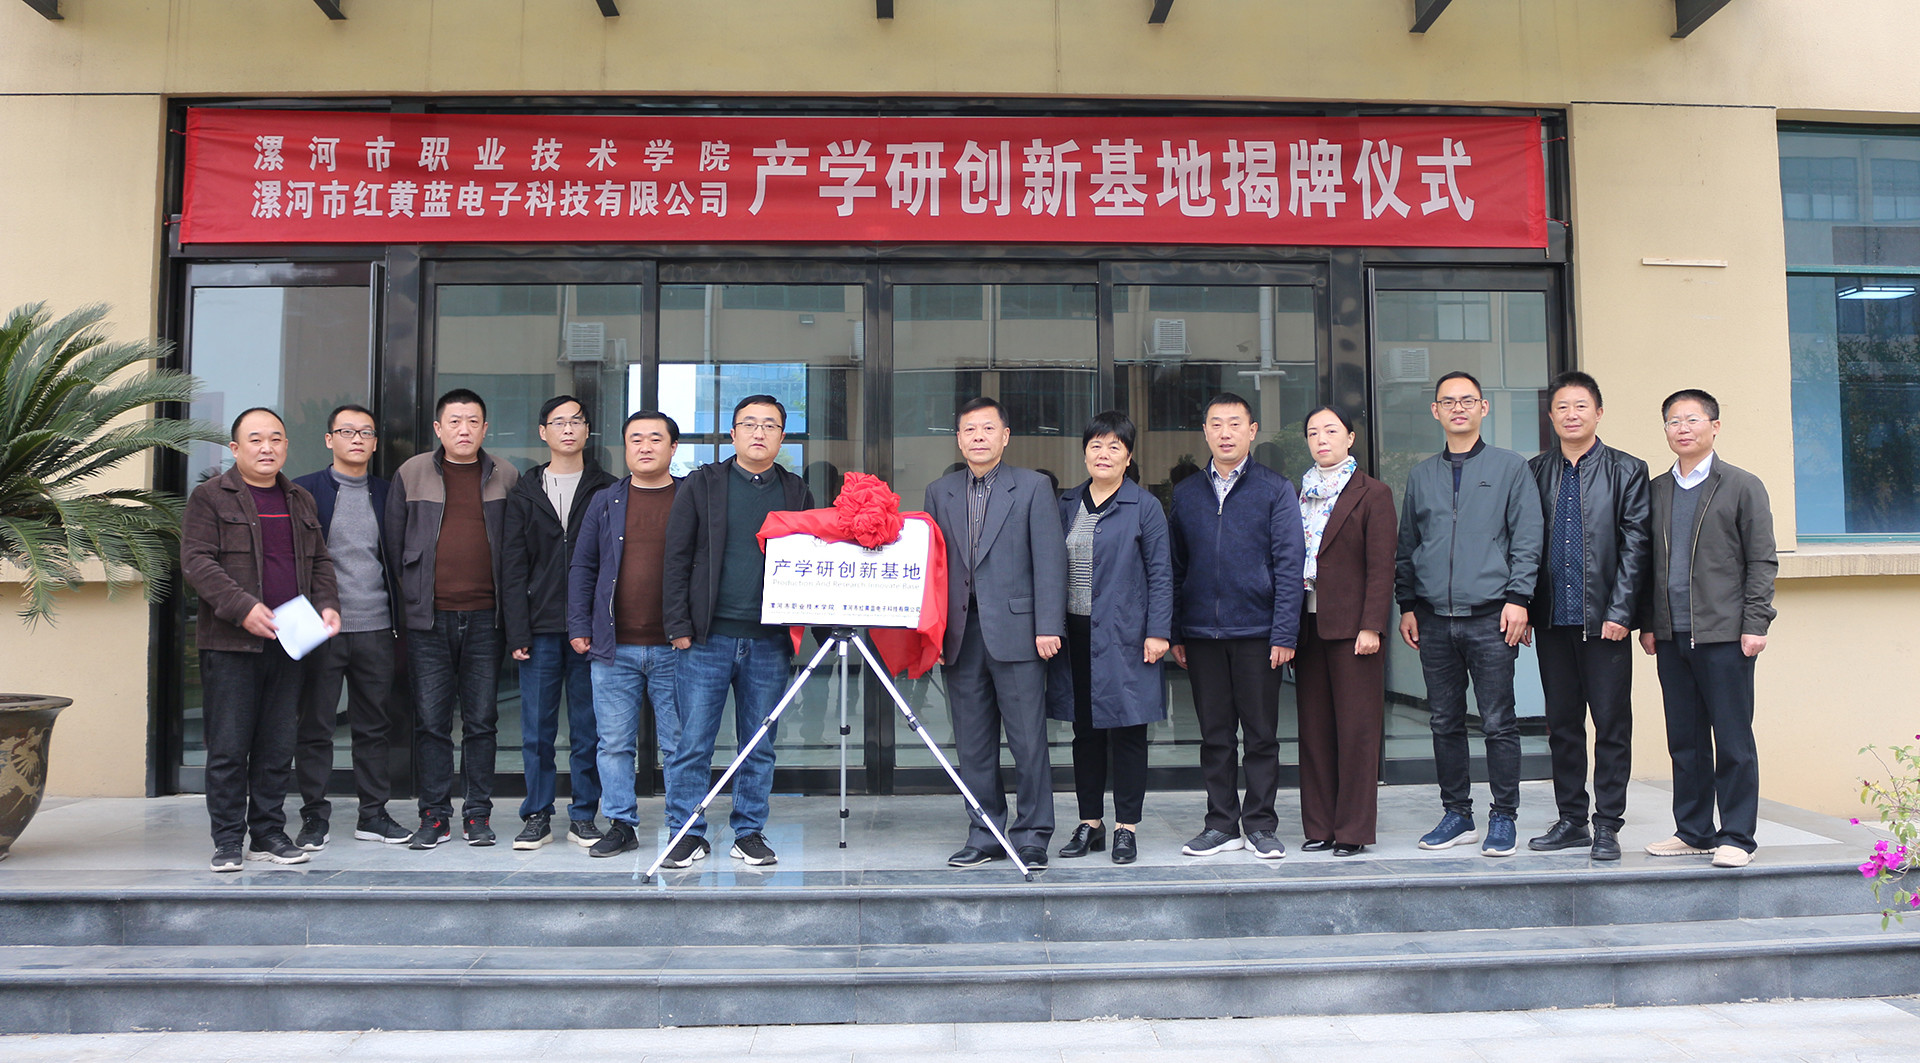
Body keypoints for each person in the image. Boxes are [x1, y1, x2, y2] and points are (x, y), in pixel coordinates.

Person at [180, 407, 340, 872]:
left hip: (290, 641)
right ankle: (228, 840)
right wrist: (243, 607)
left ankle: (268, 833)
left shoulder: (299, 499)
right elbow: (197, 562)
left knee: (276, 745)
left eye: (275, 439)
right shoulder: (211, 497)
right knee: (229, 747)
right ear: (235, 448)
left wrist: (328, 604)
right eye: (255, 439)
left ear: (286, 446)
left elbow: (320, 562)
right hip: (231, 644)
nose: (266, 447)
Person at [657, 395, 813, 869]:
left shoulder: (796, 491)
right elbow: (676, 557)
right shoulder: (703, 484)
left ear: (782, 437)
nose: (759, 433)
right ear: (733, 434)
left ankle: (749, 831)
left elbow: (811, 558)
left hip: (768, 641)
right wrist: (677, 625)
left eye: (770, 425)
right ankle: (686, 832)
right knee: (693, 743)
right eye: (749, 424)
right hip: (706, 639)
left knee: (758, 743)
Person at [1395, 371, 1543, 858]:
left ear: (1484, 407)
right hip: (1434, 617)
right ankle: (1457, 814)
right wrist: (1407, 605)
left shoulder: (1509, 467)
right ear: (1435, 411)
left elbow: (1527, 538)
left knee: (1498, 721)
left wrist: (1519, 599)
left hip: (1491, 617)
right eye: (1448, 401)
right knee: (1444, 721)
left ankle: (1504, 816)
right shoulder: (1422, 475)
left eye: (1467, 400)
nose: (1458, 408)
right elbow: (1408, 545)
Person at [925, 397, 1067, 870]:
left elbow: (1050, 560)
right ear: (958, 439)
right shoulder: (940, 491)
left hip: (1020, 633)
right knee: (973, 744)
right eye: (969, 429)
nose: (978, 437)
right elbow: (934, 568)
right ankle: (984, 834)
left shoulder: (1032, 487)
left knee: (1028, 742)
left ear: (1005, 436)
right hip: (960, 637)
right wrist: (932, 633)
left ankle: (1033, 834)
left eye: (988, 428)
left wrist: (1048, 625)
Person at [1638, 388, 1777, 869]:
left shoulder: (1741, 485)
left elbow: (1762, 561)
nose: (1682, 428)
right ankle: (1694, 831)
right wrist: (1650, 623)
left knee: (1733, 740)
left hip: (1725, 635)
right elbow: (1647, 564)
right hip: (1671, 635)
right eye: (1673, 420)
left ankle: (1737, 836)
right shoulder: (1656, 490)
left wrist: (1755, 622)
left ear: (1714, 426)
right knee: (1686, 740)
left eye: (1692, 419)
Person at [1168, 393, 1305, 860]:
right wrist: (1177, 631)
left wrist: (1284, 633)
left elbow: (1289, 565)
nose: (1225, 433)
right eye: (1216, 424)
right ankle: (1221, 824)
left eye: (1234, 423)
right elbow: (1175, 568)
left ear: (1252, 430)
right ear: (1205, 432)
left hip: (1258, 634)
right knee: (1215, 737)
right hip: (1202, 635)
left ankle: (1261, 824)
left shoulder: (1275, 489)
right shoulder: (1186, 493)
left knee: (1261, 736)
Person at [385, 388, 519, 850]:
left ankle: (477, 815)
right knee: (432, 722)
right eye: (455, 421)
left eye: (473, 421)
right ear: (438, 428)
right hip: (429, 620)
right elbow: (393, 547)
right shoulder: (412, 473)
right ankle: (434, 815)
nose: (464, 430)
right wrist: (410, 607)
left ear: (485, 428)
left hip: (486, 620)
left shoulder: (506, 475)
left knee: (482, 722)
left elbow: (517, 551)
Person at [1525, 371, 1650, 862]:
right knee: (1562, 725)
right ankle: (1572, 819)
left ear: (1598, 412)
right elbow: (1524, 544)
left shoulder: (1627, 470)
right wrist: (1525, 607)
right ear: (1550, 416)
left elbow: (1636, 546)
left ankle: (1608, 824)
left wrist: (1620, 611)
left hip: (1605, 623)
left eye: (1580, 406)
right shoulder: (1535, 471)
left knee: (1611, 725)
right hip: (1552, 618)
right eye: (1562, 407)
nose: (1571, 415)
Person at [1044, 411, 1172, 866]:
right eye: (1096, 445)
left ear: (1128, 456)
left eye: (1114, 446)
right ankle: (1090, 823)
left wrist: (1158, 631)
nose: (1104, 454)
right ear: (1084, 453)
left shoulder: (1144, 506)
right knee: (1086, 733)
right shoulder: (1066, 503)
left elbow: (1161, 574)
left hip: (1126, 637)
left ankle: (1126, 828)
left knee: (1129, 731)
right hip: (1076, 637)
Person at [290, 404, 409, 849]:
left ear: (375, 443)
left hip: (377, 626)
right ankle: (313, 817)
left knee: (373, 727)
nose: (357, 439)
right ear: (329, 439)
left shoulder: (388, 493)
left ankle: (373, 815)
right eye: (347, 431)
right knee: (316, 726)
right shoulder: (304, 491)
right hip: (322, 628)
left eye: (366, 432)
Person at [502, 395, 617, 851]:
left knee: (589, 729)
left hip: (591, 628)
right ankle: (536, 814)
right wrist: (517, 630)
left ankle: (584, 815)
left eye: (576, 421)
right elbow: (512, 567)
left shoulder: (608, 489)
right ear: (543, 432)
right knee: (537, 729)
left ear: (587, 431)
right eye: (558, 422)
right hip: (540, 628)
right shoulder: (525, 492)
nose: (568, 429)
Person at [568, 411, 684, 859]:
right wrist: (580, 625)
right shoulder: (605, 500)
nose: (645, 446)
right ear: (625, 447)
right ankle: (621, 824)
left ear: (673, 447)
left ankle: (683, 826)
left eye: (655, 438)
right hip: (613, 648)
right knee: (614, 744)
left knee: (678, 744)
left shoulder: (691, 497)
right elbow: (583, 566)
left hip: (676, 646)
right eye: (635, 439)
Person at [1293, 406, 1396, 858]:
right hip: (1307, 625)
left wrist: (1372, 625)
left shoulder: (1373, 493)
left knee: (1356, 731)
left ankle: (1352, 829)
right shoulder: (1298, 494)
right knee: (1314, 731)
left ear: (1350, 438)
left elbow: (1382, 567)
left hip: (1355, 629)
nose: (1321, 439)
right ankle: (1319, 826)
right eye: (1313, 432)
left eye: (1331, 430)